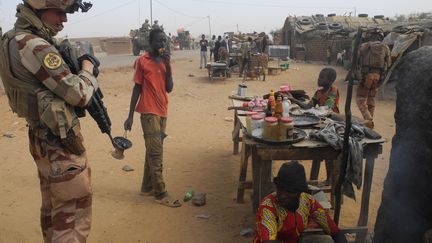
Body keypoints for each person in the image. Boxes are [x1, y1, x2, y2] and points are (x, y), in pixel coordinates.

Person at [0, 0, 97, 241]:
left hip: (42, 137)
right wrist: (87, 69)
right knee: (71, 216)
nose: (64, 19)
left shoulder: (12, 39)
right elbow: (79, 94)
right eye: (59, 12)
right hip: (60, 143)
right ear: (39, 9)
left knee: (54, 210)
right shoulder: (33, 45)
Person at [123, 28, 181, 208]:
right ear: (150, 42)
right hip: (148, 112)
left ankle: (147, 186)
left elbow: (169, 88)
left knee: (152, 149)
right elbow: (137, 88)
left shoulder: (165, 62)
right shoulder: (142, 61)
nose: (162, 44)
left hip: (163, 110)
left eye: (164, 41)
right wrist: (130, 115)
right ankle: (161, 192)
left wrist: (168, 66)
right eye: (158, 41)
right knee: (156, 153)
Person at [254, 161, 347, 243]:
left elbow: (335, 231)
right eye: (280, 189)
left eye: (289, 191)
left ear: (299, 192)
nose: (282, 195)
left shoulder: (308, 202)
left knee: (325, 240)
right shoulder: (268, 207)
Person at [287, 68, 339, 185]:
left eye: (322, 77)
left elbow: (326, 108)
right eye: (319, 76)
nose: (318, 79)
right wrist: (293, 99)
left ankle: (330, 179)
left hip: (331, 122)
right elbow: (308, 106)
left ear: (330, 80)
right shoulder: (318, 93)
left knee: (330, 152)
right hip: (320, 122)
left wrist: (311, 110)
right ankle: (323, 179)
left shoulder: (333, 91)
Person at [355, 27, 391, 127]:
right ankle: (370, 122)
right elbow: (388, 64)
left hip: (367, 76)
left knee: (360, 98)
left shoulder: (365, 45)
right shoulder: (386, 47)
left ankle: (368, 119)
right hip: (378, 77)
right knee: (371, 98)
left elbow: (356, 58)